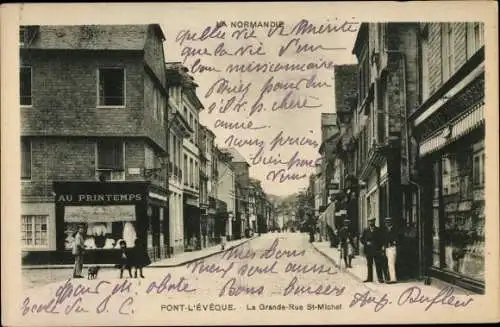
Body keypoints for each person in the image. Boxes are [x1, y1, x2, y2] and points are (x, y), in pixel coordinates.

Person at [360, 218, 386, 283]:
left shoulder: (378, 230)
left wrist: (381, 246)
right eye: (370, 221)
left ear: (374, 221)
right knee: (369, 264)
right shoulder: (366, 230)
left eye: (372, 221)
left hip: (377, 249)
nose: (371, 222)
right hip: (368, 250)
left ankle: (380, 278)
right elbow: (362, 239)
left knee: (378, 264)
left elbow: (382, 239)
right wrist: (366, 242)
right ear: (368, 222)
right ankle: (369, 278)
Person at [383, 217, 399, 284]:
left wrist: (393, 242)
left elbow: (397, 239)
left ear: (390, 223)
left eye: (388, 222)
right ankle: (390, 277)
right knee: (389, 263)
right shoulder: (386, 230)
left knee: (391, 263)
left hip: (392, 248)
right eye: (386, 222)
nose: (386, 224)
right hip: (387, 248)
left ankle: (393, 279)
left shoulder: (394, 230)